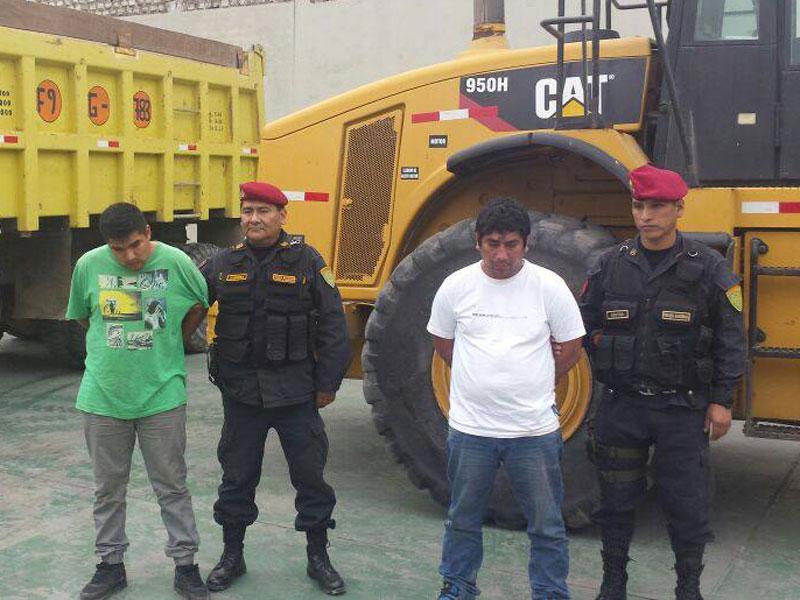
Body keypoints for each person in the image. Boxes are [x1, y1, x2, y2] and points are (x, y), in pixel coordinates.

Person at [578, 164, 745, 600]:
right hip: (622, 405)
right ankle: (613, 583)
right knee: (614, 504)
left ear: (679, 209)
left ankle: (687, 588)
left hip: (682, 409)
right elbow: (583, 320)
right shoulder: (610, 265)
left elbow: (730, 339)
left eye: (656, 206)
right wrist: (602, 348)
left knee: (687, 506)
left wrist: (722, 400)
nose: (646, 215)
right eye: (639, 205)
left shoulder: (708, 268)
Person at [427, 197, 586, 600]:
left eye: (511, 244)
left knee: (547, 524)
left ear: (527, 244)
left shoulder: (549, 286)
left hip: (533, 431)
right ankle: (459, 587)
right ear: (477, 241)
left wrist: (536, 381)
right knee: (462, 518)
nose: (502, 254)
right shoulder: (456, 286)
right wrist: (479, 378)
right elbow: (444, 343)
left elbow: (572, 345)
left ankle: (550, 592)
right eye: (493, 243)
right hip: (470, 430)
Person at [201, 181, 351, 595]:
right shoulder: (222, 263)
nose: (254, 219)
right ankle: (233, 554)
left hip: (296, 393)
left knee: (310, 478)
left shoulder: (308, 261)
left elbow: (334, 327)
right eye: (248, 211)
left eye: (263, 211)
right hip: (242, 393)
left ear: (282, 217)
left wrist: (328, 384)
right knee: (236, 477)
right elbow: (189, 301)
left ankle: (318, 557)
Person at [66, 202, 210, 600]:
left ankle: (186, 567)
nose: (128, 257)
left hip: (161, 396)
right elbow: (83, 315)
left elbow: (199, 303)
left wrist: (172, 343)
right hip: (102, 396)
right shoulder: (88, 265)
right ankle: (110, 566)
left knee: (172, 485)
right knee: (107, 488)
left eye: (134, 245)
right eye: (118, 249)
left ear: (147, 232)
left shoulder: (177, 262)